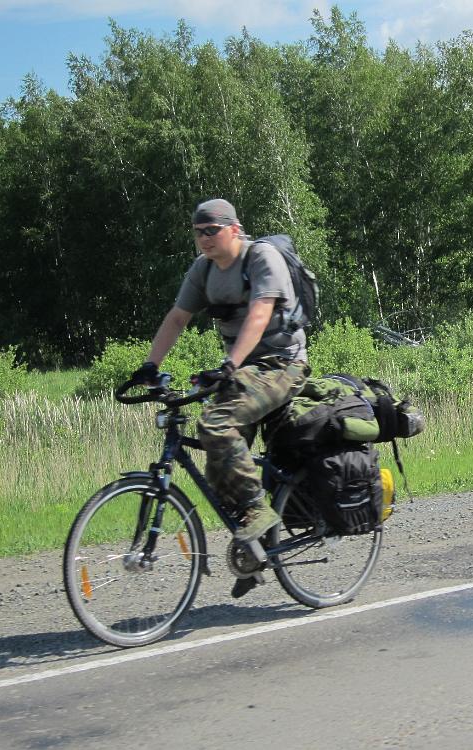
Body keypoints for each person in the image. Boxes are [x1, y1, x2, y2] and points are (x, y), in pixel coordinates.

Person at [129, 199, 308, 592]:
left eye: (212, 229)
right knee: (217, 468)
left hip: (282, 365)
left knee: (217, 423)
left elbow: (261, 313)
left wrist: (229, 364)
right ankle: (255, 553)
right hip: (242, 369)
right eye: (198, 231)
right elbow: (177, 318)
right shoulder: (203, 269)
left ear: (233, 228)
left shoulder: (261, 258)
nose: (204, 237)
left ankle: (260, 514)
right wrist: (150, 365)